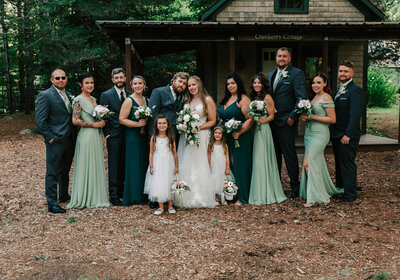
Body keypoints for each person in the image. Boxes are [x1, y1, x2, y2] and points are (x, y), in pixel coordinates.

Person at [267, 47, 308, 199]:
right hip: (271, 123)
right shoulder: (271, 75)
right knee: (274, 155)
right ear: (276, 58)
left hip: (286, 122)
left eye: (284, 56)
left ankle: (295, 189)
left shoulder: (296, 74)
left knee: (289, 155)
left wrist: (292, 117)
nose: (281, 59)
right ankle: (276, 187)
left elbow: (302, 99)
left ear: (289, 59)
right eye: (279, 56)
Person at [299, 73, 344, 207]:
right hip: (309, 134)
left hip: (320, 134)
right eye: (313, 82)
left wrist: (312, 117)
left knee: (308, 163)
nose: (315, 85)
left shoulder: (326, 97)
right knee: (316, 162)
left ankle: (319, 196)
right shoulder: (313, 98)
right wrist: (305, 116)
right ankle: (317, 191)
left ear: (325, 84)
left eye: (318, 82)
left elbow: (332, 119)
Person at [35, 69, 76, 214]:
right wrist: (50, 137)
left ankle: (63, 195)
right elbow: (40, 120)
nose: (61, 80)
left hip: (70, 140)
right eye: (57, 78)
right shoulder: (45, 95)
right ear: (52, 80)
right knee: (52, 172)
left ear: (66, 79)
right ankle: (52, 203)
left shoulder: (71, 96)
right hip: (55, 140)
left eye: (63, 77)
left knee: (64, 171)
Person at [67, 73, 110, 209]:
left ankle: (96, 195)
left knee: (95, 163)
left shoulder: (94, 99)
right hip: (86, 136)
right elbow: (75, 121)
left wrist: (101, 121)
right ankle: (84, 196)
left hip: (96, 136)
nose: (90, 85)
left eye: (91, 82)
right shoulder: (78, 100)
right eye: (87, 83)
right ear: (81, 84)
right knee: (86, 164)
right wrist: (94, 125)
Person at [178, 76, 217, 208]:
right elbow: (182, 119)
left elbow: (212, 121)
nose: (191, 88)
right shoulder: (187, 101)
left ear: (199, 85)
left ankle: (202, 196)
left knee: (201, 163)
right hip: (188, 137)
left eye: (193, 84)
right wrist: (183, 126)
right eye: (189, 86)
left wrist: (197, 128)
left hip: (202, 135)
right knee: (188, 162)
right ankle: (187, 196)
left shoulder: (207, 100)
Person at [248, 73, 287, 205]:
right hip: (254, 130)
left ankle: (264, 193)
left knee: (261, 159)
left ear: (263, 84)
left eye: (259, 83)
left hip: (263, 130)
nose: (256, 85)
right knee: (255, 159)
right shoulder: (253, 97)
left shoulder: (268, 97)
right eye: (254, 83)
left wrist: (261, 120)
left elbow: (271, 116)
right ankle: (257, 190)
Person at [330, 61, 363, 202]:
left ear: (352, 73)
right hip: (337, 134)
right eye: (340, 71)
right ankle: (341, 188)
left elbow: (355, 115)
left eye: (345, 71)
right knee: (339, 162)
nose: (342, 74)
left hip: (347, 135)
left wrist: (348, 134)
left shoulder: (355, 90)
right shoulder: (339, 89)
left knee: (347, 164)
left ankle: (350, 194)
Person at [218, 73, 253, 204]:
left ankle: (243, 196)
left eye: (233, 83)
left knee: (240, 164)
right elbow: (222, 119)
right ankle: (231, 193)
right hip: (227, 137)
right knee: (229, 164)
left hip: (241, 138)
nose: (230, 86)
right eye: (228, 84)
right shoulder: (226, 100)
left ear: (238, 84)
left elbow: (250, 119)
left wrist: (240, 132)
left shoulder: (243, 99)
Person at [100, 68, 131, 206]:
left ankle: (122, 191)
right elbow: (103, 114)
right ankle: (113, 195)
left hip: (129, 134)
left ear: (125, 78)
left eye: (121, 77)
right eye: (116, 78)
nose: (119, 80)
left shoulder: (130, 95)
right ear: (112, 80)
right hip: (114, 134)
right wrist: (106, 133)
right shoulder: (106, 95)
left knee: (125, 162)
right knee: (114, 164)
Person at [119, 76, 149, 206]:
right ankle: (133, 196)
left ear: (144, 85)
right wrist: (138, 124)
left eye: (140, 83)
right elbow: (121, 119)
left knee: (143, 163)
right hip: (132, 136)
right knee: (133, 164)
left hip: (144, 136)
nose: (138, 86)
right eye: (135, 84)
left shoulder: (147, 100)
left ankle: (143, 195)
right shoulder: (128, 100)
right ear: (131, 86)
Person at [144, 115, 179, 215]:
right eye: (160, 123)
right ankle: (161, 206)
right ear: (156, 125)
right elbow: (151, 153)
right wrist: (151, 166)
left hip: (169, 162)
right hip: (158, 162)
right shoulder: (154, 138)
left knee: (169, 181)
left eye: (164, 123)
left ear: (168, 125)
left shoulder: (171, 138)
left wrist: (176, 166)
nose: (162, 125)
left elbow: (174, 153)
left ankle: (171, 206)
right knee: (159, 182)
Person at [148, 72, 189, 138]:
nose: (181, 85)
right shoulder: (159, 92)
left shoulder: (183, 96)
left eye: (184, 84)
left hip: (175, 135)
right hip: (160, 134)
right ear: (173, 81)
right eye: (180, 81)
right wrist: (153, 135)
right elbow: (153, 115)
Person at [208, 126, 230, 203]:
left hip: (222, 165)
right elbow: (208, 156)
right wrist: (209, 167)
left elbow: (227, 157)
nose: (217, 135)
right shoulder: (211, 144)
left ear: (222, 135)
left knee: (221, 179)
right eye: (216, 133)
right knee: (214, 179)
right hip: (214, 165)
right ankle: (214, 197)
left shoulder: (224, 145)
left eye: (219, 133)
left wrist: (227, 168)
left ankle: (223, 196)